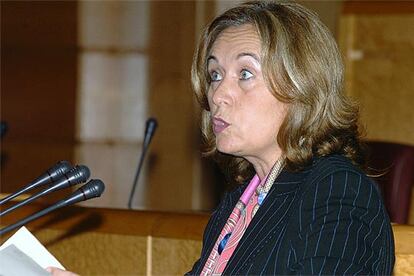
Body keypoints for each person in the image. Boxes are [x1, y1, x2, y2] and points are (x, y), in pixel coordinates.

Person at [47, 1, 394, 275]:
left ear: (301, 86)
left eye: (245, 73)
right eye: (214, 74)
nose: (218, 95)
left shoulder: (337, 190)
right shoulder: (242, 200)